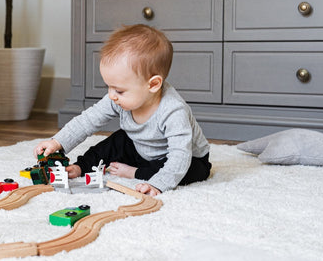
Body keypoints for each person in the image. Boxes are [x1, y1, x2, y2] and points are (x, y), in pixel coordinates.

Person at [34, 24, 211, 196]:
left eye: (119, 90)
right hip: (142, 148)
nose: (111, 95)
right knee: (115, 142)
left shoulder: (173, 110)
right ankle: (82, 166)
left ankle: (136, 172)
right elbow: (88, 120)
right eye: (108, 87)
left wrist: (157, 183)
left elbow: (180, 155)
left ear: (153, 85)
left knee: (189, 171)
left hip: (185, 157)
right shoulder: (117, 98)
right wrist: (57, 142)